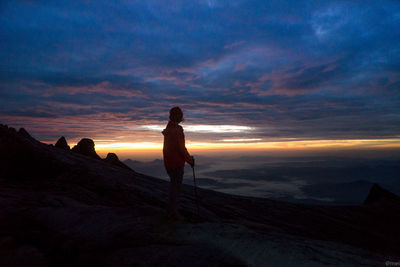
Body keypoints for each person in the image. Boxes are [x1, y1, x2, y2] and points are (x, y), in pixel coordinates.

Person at [162, 107, 194, 219]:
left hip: (169, 163)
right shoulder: (176, 130)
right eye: (180, 115)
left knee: (173, 187)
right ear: (178, 116)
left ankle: (170, 211)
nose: (181, 117)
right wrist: (190, 160)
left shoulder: (169, 128)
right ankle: (174, 213)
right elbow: (181, 149)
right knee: (176, 189)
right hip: (176, 164)